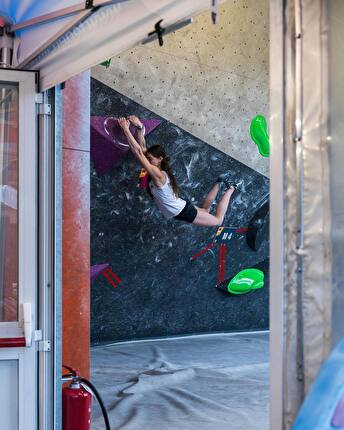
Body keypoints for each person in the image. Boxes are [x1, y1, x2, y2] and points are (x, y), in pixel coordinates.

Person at [118, 116, 238, 227]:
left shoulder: (158, 174)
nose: (147, 160)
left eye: (150, 159)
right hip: (181, 207)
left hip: (181, 210)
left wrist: (125, 129)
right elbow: (142, 146)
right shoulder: (155, 170)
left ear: (160, 159)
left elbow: (139, 152)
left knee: (218, 221)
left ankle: (231, 188)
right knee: (205, 210)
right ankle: (219, 181)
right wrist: (139, 127)